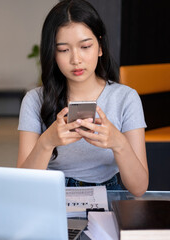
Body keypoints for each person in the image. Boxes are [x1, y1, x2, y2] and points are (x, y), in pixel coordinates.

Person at [17, 0, 148, 197]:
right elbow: (22, 186)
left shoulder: (126, 98)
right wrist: (47, 142)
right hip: (51, 194)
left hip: (108, 193)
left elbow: (139, 188)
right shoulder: (34, 100)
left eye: (85, 46)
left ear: (100, 47)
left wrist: (118, 143)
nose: (76, 59)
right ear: (52, 53)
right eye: (63, 50)